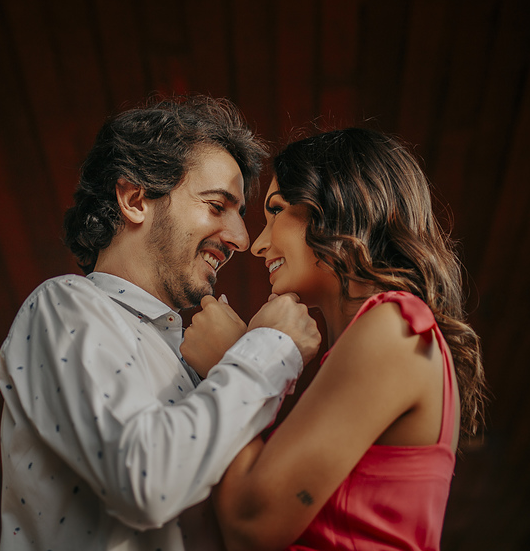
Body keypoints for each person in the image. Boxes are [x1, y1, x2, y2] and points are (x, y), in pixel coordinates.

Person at [0, 97, 322, 550]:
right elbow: (146, 482)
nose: (242, 239)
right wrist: (270, 348)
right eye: (215, 206)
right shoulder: (64, 305)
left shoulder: (196, 363)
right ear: (134, 200)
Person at [182, 128, 487, 551]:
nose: (259, 244)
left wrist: (232, 362)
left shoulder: (394, 326)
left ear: (335, 206)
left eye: (276, 211)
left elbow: (251, 525)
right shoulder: (383, 333)